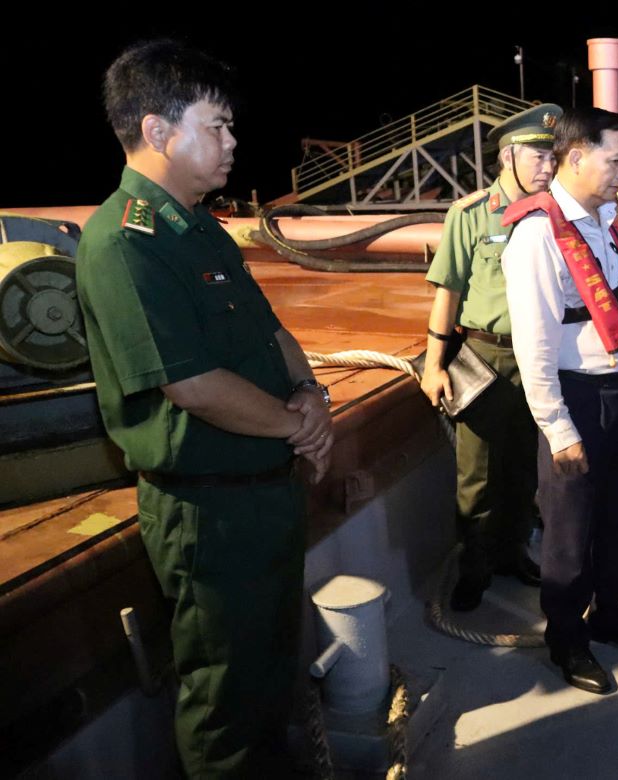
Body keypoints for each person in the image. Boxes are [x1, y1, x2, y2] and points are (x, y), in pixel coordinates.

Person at [75, 40, 332, 775]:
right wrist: (297, 427)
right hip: (208, 516)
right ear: (158, 132)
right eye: (216, 126)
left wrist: (311, 397)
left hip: (263, 494)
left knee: (269, 675)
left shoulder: (199, 226)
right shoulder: (123, 244)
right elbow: (189, 385)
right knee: (226, 703)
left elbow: (271, 332)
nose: (232, 141)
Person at [501, 107, 618, 695]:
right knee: (570, 533)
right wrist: (558, 428)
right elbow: (535, 343)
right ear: (576, 157)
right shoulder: (537, 236)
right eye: (617, 157)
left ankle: (610, 616)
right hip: (580, 400)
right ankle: (567, 639)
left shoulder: (606, 223)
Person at [420, 103, 562, 609]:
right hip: (485, 355)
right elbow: (449, 291)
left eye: (552, 157)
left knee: (526, 466)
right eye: (538, 157)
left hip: (537, 357)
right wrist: (435, 365)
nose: (548, 166)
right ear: (508, 157)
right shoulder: (470, 213)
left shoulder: (552, 213)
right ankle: (475, 565)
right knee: (476, 474)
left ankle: (513, 552)